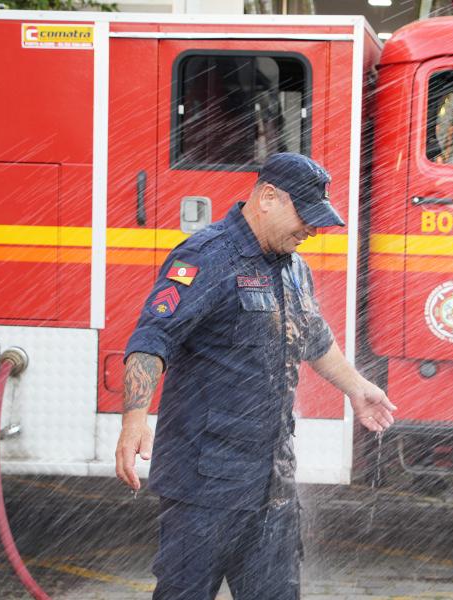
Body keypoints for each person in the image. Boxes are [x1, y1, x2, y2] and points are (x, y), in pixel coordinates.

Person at [114, 152, 396, 600]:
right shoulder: (207, 257)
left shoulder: (295, 269)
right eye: (304, 217)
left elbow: (313, 337)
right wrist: (133, 419)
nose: (311, 230)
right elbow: (153, 337)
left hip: (272, 489)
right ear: (267, 198)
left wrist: (357, 388)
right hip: (204, 490)